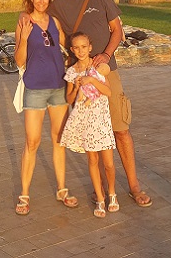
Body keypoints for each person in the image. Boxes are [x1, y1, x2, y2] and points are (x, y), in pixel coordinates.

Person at [49, 0, 152, 208]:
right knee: (92, 135)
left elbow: (118, 30)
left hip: (107, 72)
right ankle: (102, 189)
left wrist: (105, 54)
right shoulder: (59, 6)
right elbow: (52, 32)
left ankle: (134, 185)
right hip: (82, 78)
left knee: (120, 129)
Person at [13, 0, 79, 216]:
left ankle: (62, 189)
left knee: (59, 139)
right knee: (32, 141)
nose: (41, 0)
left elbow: (68, 49)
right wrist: (23, 38)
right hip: (35, 88)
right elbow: (19, 60)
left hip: (57, 87)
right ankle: (24, 194)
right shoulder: (24, 22)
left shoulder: (55, 22)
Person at [61, 31, 118, 218]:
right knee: (93, 161)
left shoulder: (99, 67)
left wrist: (91, 79)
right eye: (76, 48)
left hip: (100, 119)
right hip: (85, 120)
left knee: (108, 163)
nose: (80, 51)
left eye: (84, 47)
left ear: (90, 47)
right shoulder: (71, 71)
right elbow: (69, 99)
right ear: (72, 49)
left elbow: (108, 92)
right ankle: (100, 199)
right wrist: (77, 86)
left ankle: (112, 193)